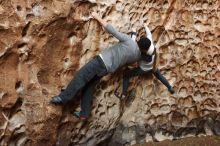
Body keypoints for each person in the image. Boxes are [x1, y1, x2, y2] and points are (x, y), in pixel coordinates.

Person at [50, 12, 152, 120]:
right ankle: (84, 114)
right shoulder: (137, 56)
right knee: (89, 86)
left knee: (81, 76)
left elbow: (112, 31)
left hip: (101, 61)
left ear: (139, 40)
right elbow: (131, 56)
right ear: (145, 49)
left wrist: (97, 16)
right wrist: (134, 36)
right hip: (107, 69)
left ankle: (63, 98)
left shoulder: (129, 41)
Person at [115, 24, 175, 99]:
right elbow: (149, 34)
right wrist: (145, 26)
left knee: (126, 75)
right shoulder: (150, 44)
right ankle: (170, 87)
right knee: (160, 76)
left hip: (143, 69)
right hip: (153, 65)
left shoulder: (139, 54)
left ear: (142, 49)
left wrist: (133, 33)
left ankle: (123, 94)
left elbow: (132, 47)